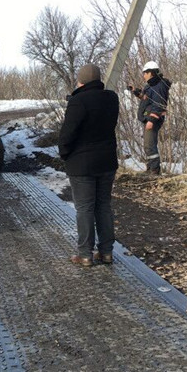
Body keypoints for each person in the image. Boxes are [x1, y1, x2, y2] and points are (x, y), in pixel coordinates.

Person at [58, 64, 119, 267]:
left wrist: (64, 153)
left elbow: (68, 133)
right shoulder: (112, 98)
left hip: (82, 164)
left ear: (81, 81)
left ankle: (85, 254)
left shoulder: (78, 101)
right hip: (107, 161)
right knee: (103, 206)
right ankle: (107, 252)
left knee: (84, 208)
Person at [128, 61, 171, 175]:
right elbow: (146, 98)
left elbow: (159, 104)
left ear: (151, 73)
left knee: (150, 145)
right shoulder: (151, 85)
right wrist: (135, 91)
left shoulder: (159, 85)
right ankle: (150, 168)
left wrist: (152, 120)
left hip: (153, 119)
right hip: (148, 118)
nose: (144, 75)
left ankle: (154, 171)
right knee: (148, 145)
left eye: (145, 73)